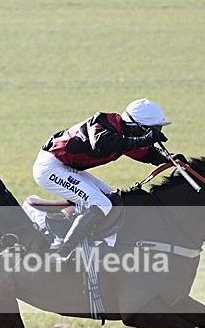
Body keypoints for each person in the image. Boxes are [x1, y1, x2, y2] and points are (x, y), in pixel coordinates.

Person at [33, 98, 182, 258]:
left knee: (111, 198)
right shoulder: (103, 122)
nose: (155, 133)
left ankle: (95, 242)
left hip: (65, 166)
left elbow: (145, 153)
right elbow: (103, 143)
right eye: (153, 129)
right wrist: (145, 140)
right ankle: (62, 253)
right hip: (50, 167)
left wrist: (169, 158)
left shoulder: (126, 136)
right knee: (101, 203)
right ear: (136, 126)